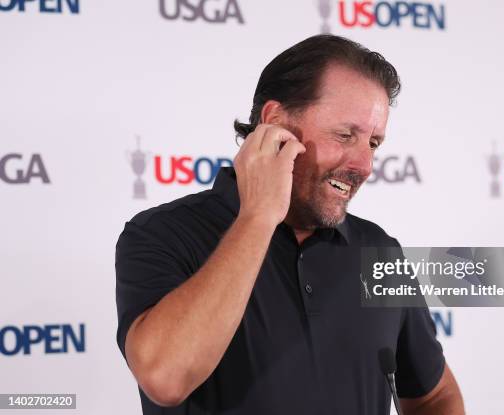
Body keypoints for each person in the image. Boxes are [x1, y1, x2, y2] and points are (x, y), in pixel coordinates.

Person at [115, 34, 464, 414]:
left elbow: (434, 395)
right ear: (275, 123)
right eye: (345, 135)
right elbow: (165, 378)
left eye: (374, 143)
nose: (365, 165)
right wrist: (258, 216)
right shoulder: (164, 233)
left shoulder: (378, 249)